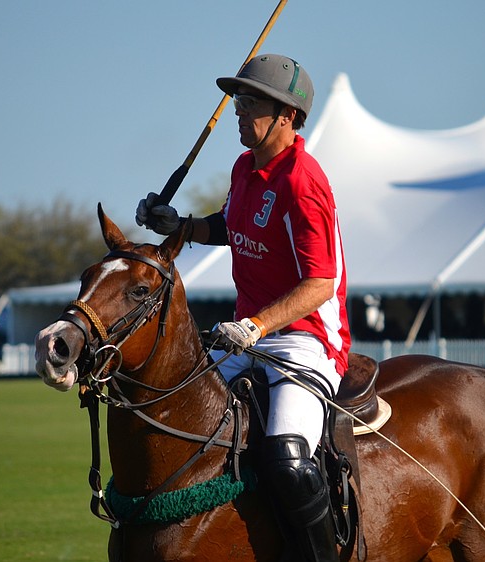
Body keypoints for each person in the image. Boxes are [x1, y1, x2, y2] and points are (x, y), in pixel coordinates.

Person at [136, 54, 349, 562]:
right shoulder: (245, 167)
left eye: (250, 101)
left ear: (286, 116)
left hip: (305, 339)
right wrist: (181, 226)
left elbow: (321, 281)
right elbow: (232, 227)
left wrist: (256, 325)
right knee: (179, 417)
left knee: (286, 458)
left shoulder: (303, 181)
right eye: (239, 99)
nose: (238, 109)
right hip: (247, 333)